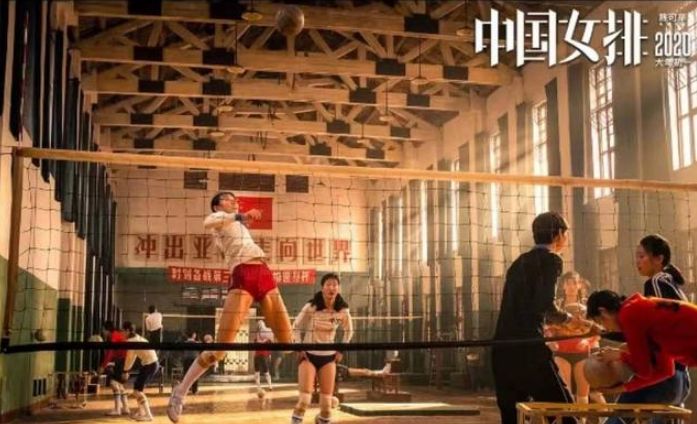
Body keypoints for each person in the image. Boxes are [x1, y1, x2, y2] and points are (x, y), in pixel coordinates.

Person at [168, 192, 293, 423]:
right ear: (217, 205)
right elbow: (207, 221)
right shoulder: (218, 219)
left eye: (235, 199)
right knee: (220, 350)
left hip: (264, 273)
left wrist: (243, 219)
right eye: (227, 198)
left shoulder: (238, 224)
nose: (233, 200)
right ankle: (180, 392)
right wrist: (241, 215)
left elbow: (239, 225)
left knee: (288, 343)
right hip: (243, 275)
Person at [491, 212, 602, 424]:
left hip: (502, 349)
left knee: (512, 417)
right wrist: (577, 323)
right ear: (559, 234)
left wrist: (566, 323)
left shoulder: (518, 262)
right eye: (566, 234)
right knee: (563, 412)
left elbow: (533, 307)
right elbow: (546, 306)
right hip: (528, 348)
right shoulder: (551, 259)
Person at [601, 235, 691, 423]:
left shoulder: (657, 282)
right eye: (636, 256)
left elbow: (656, 338)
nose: (637, 261)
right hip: (680, 378)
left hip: (666, 377)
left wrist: (620, 353)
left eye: (642, 256)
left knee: (619, 417)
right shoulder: (669, 282)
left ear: (659, 259)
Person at [587, 290, 697, 395]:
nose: (607, 328)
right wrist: (621, 389)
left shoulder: (629, 315)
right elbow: (665, 371)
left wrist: (619, 355)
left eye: (600, 322)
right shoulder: (639, 311)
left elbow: (643, 370)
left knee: (625, 348)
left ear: (603, 312)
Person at [291, 273, 353, 424]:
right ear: (322, 288)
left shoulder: (343, 310)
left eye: (334, 285)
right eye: (328, 284)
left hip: (328, 358)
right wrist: (299, 347)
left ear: (338, 288)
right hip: (309, 355)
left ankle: (320, 420)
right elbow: (296, 326)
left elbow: (349, 331)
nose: (332, 288)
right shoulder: (311, 306)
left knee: (326, 408)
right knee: (304, 401)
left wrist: (341, 350)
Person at [546, 272, 600, 405]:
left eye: (574, 283)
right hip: (561, 352)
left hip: (582, 353)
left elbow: (595, 330)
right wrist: (551, 341)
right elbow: (547, 327)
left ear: (579, 285)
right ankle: (569, 416)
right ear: (563, 286)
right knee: (567, 393)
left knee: (583, 394)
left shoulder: (587, 306)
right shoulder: (557, 305)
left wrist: (588, 341)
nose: (571, 287)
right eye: (568, 283)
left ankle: (582, 416)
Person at [121, 322, 159, 422]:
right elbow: (133, 356)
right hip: (149, 364)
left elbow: (130, 358)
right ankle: (141, 412)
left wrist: (125, 371)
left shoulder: (131, 341)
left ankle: (148, 415)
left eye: (123, 331)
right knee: (136, 390)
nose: (122, 333)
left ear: (128, 331)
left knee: (138, 391)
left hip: (150, 364)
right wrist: (126, 370)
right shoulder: (137, 338)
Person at [99, 321, 129, 416]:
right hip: (123, 360)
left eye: (103, 330)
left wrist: (103, 366)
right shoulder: (117, 334)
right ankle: (125, 408)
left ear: (107, 330)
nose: (103, 332)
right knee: (119, 384)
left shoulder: (113, 337)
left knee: (113, 383)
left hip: (122, 361)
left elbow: (110, 353)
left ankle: (117, 410)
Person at [254, 320, 274, 393]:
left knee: (265, 371)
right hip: (259, 355)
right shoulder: (258, 336)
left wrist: (269, 354)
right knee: (258, 372)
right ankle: (263, 386)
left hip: (262, 355)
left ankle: (269, 386)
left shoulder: (267, 337)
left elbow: (270, 347)